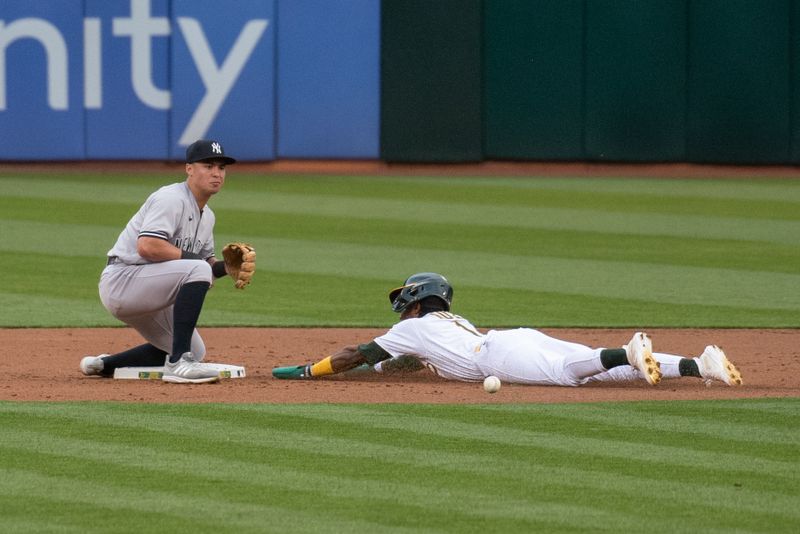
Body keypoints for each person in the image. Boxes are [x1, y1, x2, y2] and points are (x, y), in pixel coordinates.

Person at [272, 272, 743, 387]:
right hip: (515, 337)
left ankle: (624, 350)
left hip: (496, 357)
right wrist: (391, 371)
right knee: (608, 375)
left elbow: (356, 354)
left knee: (566, 373)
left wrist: (308, 371)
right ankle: (700, 363)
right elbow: (409, 364)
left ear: (416, 301)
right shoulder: (443, 324)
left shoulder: (410, 330)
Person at [80, 139, 255, 384]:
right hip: (123, 281)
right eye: (208, 165)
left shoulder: (208, 217)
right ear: (189, 169)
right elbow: (148, 246)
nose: (216, 173)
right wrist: (203, 266)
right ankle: (178, 363)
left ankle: (102, 364)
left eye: (221, 168)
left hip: (151, 288)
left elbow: (205, 269)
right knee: (197, 269)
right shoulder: (171, 198)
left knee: (196, 350)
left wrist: (226, 268)